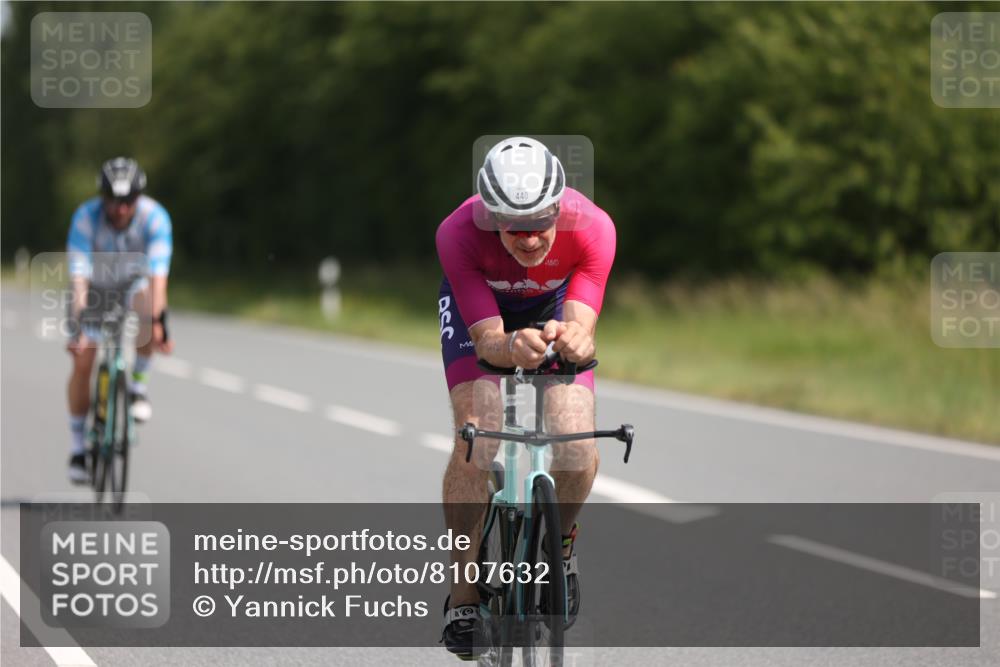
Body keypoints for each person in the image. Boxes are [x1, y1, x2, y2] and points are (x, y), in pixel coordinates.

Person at [436, 137, 616, 658]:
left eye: (541, 222)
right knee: (477, 435)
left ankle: (560, 547)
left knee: (576, 442)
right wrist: (509, 345)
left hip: (553, 303)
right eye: (515, 227)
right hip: (482, 314)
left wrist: (577, 340)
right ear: (492, 217)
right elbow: (489, 341)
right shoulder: (457, 233)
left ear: (559, 206)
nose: (531, 238)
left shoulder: (594, 227)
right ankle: (464, 596)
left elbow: (581, 327)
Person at [65, 157, 174, 483]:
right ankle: (78, 448)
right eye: (114, 200)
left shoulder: (155, 218)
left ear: (139, 197)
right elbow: (79, 280)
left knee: (149, 313)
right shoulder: (86, 218)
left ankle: (137, 388)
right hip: (95, 289)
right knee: (83, 359)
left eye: (129, 200)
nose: (122, 208)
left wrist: (159, 322)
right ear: (103, 197)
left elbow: (158, 279)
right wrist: (78, 327)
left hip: (132, 286)